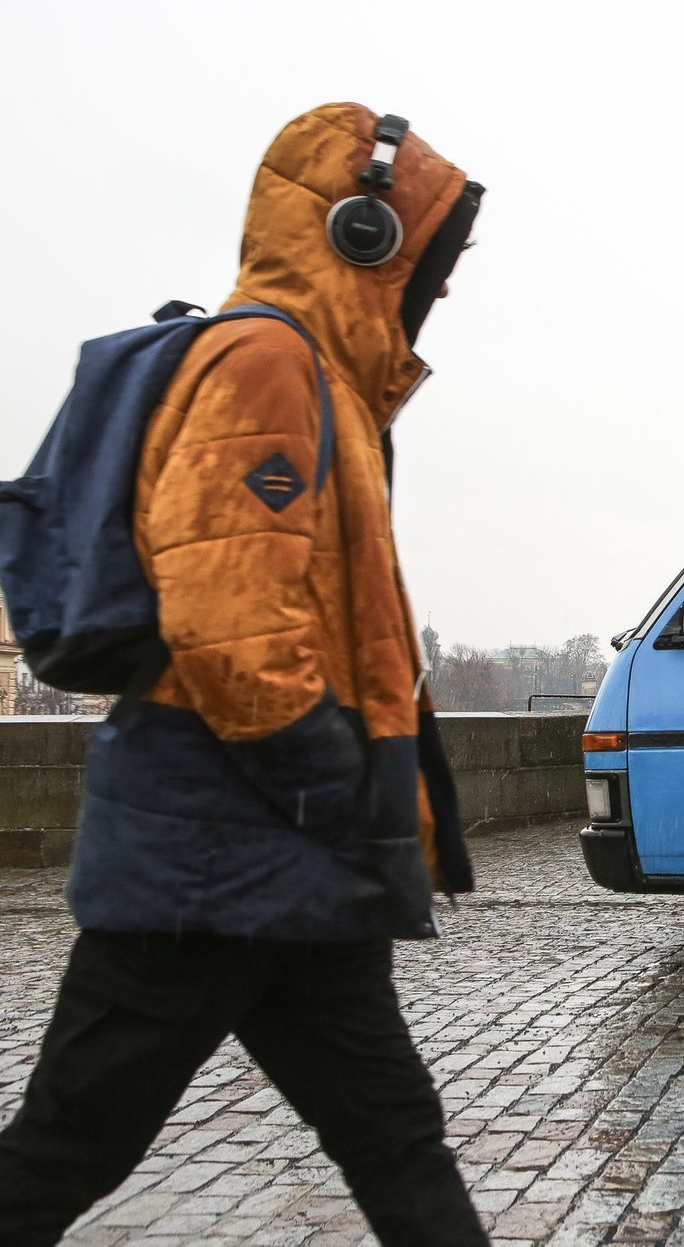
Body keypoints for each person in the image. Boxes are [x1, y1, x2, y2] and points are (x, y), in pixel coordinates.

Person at [0, 105, 489, 1246]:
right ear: (362, 232)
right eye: (435, 255)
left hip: (273, 871)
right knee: (68, 1146)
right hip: (214, 858)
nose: (444, 287)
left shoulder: (325, 378)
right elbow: (231, 624)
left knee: (398, 1140)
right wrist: (335, 792)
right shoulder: (267, 360)